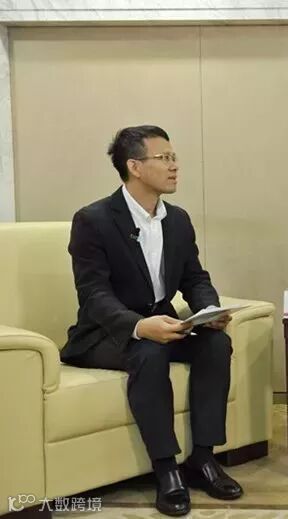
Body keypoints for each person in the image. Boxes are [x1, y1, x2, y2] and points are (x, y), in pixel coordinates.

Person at [60, 125, 243, 517]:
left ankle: (203, 458)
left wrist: (208, 311)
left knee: (216, 343)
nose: (175, 166)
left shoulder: (177, 220)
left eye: (174, 157)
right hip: (105, 334)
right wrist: (139, 326)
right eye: (165, 158)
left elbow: (194, 278)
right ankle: (166, 469)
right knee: (149, 351)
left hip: (165, 324)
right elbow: (93, 294)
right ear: (135, 167)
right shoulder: (93, 220)